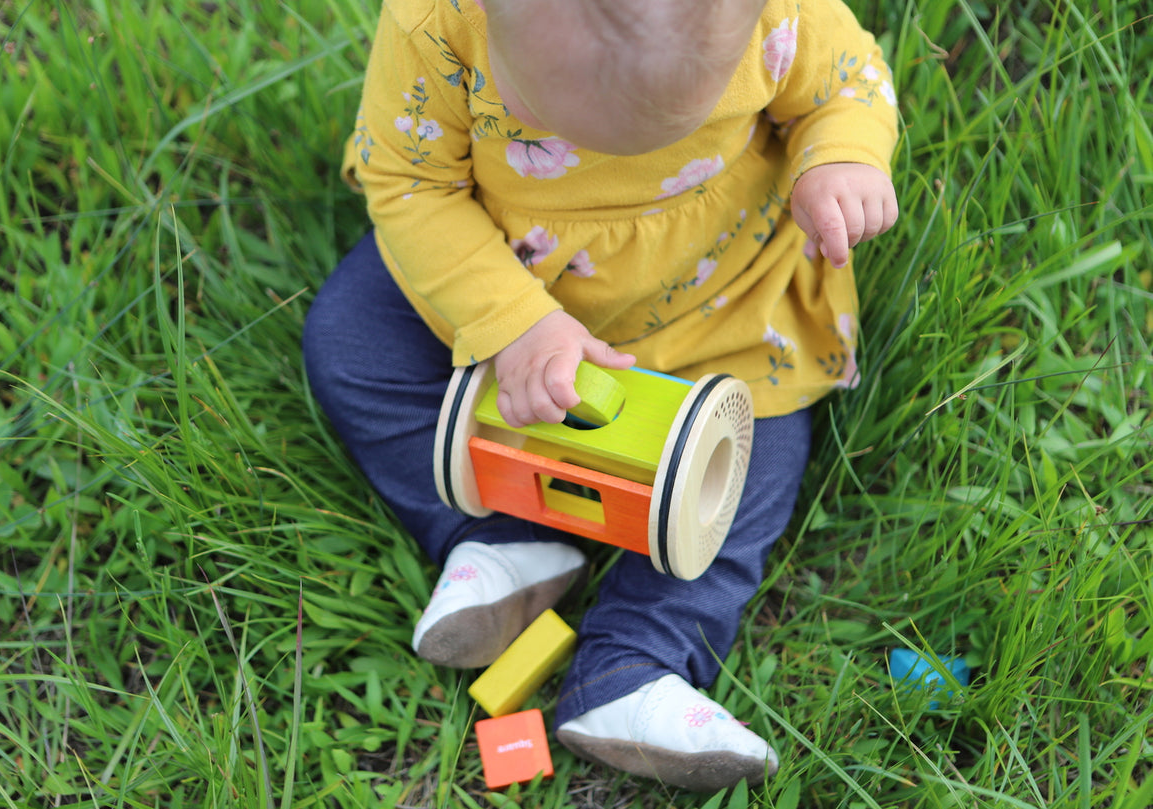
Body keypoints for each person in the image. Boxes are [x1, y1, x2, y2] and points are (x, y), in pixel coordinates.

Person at [303, 0, 899, 791]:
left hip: (719, 300)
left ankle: (635, 661)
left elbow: (848, 81)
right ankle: (502, 534)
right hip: (507, 276)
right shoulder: (436, 26)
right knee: (351, 343)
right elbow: (409, 185)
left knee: (748, 460)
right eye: (545, 120)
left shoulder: (776, 15)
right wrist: (512, 323)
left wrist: (841, 158)